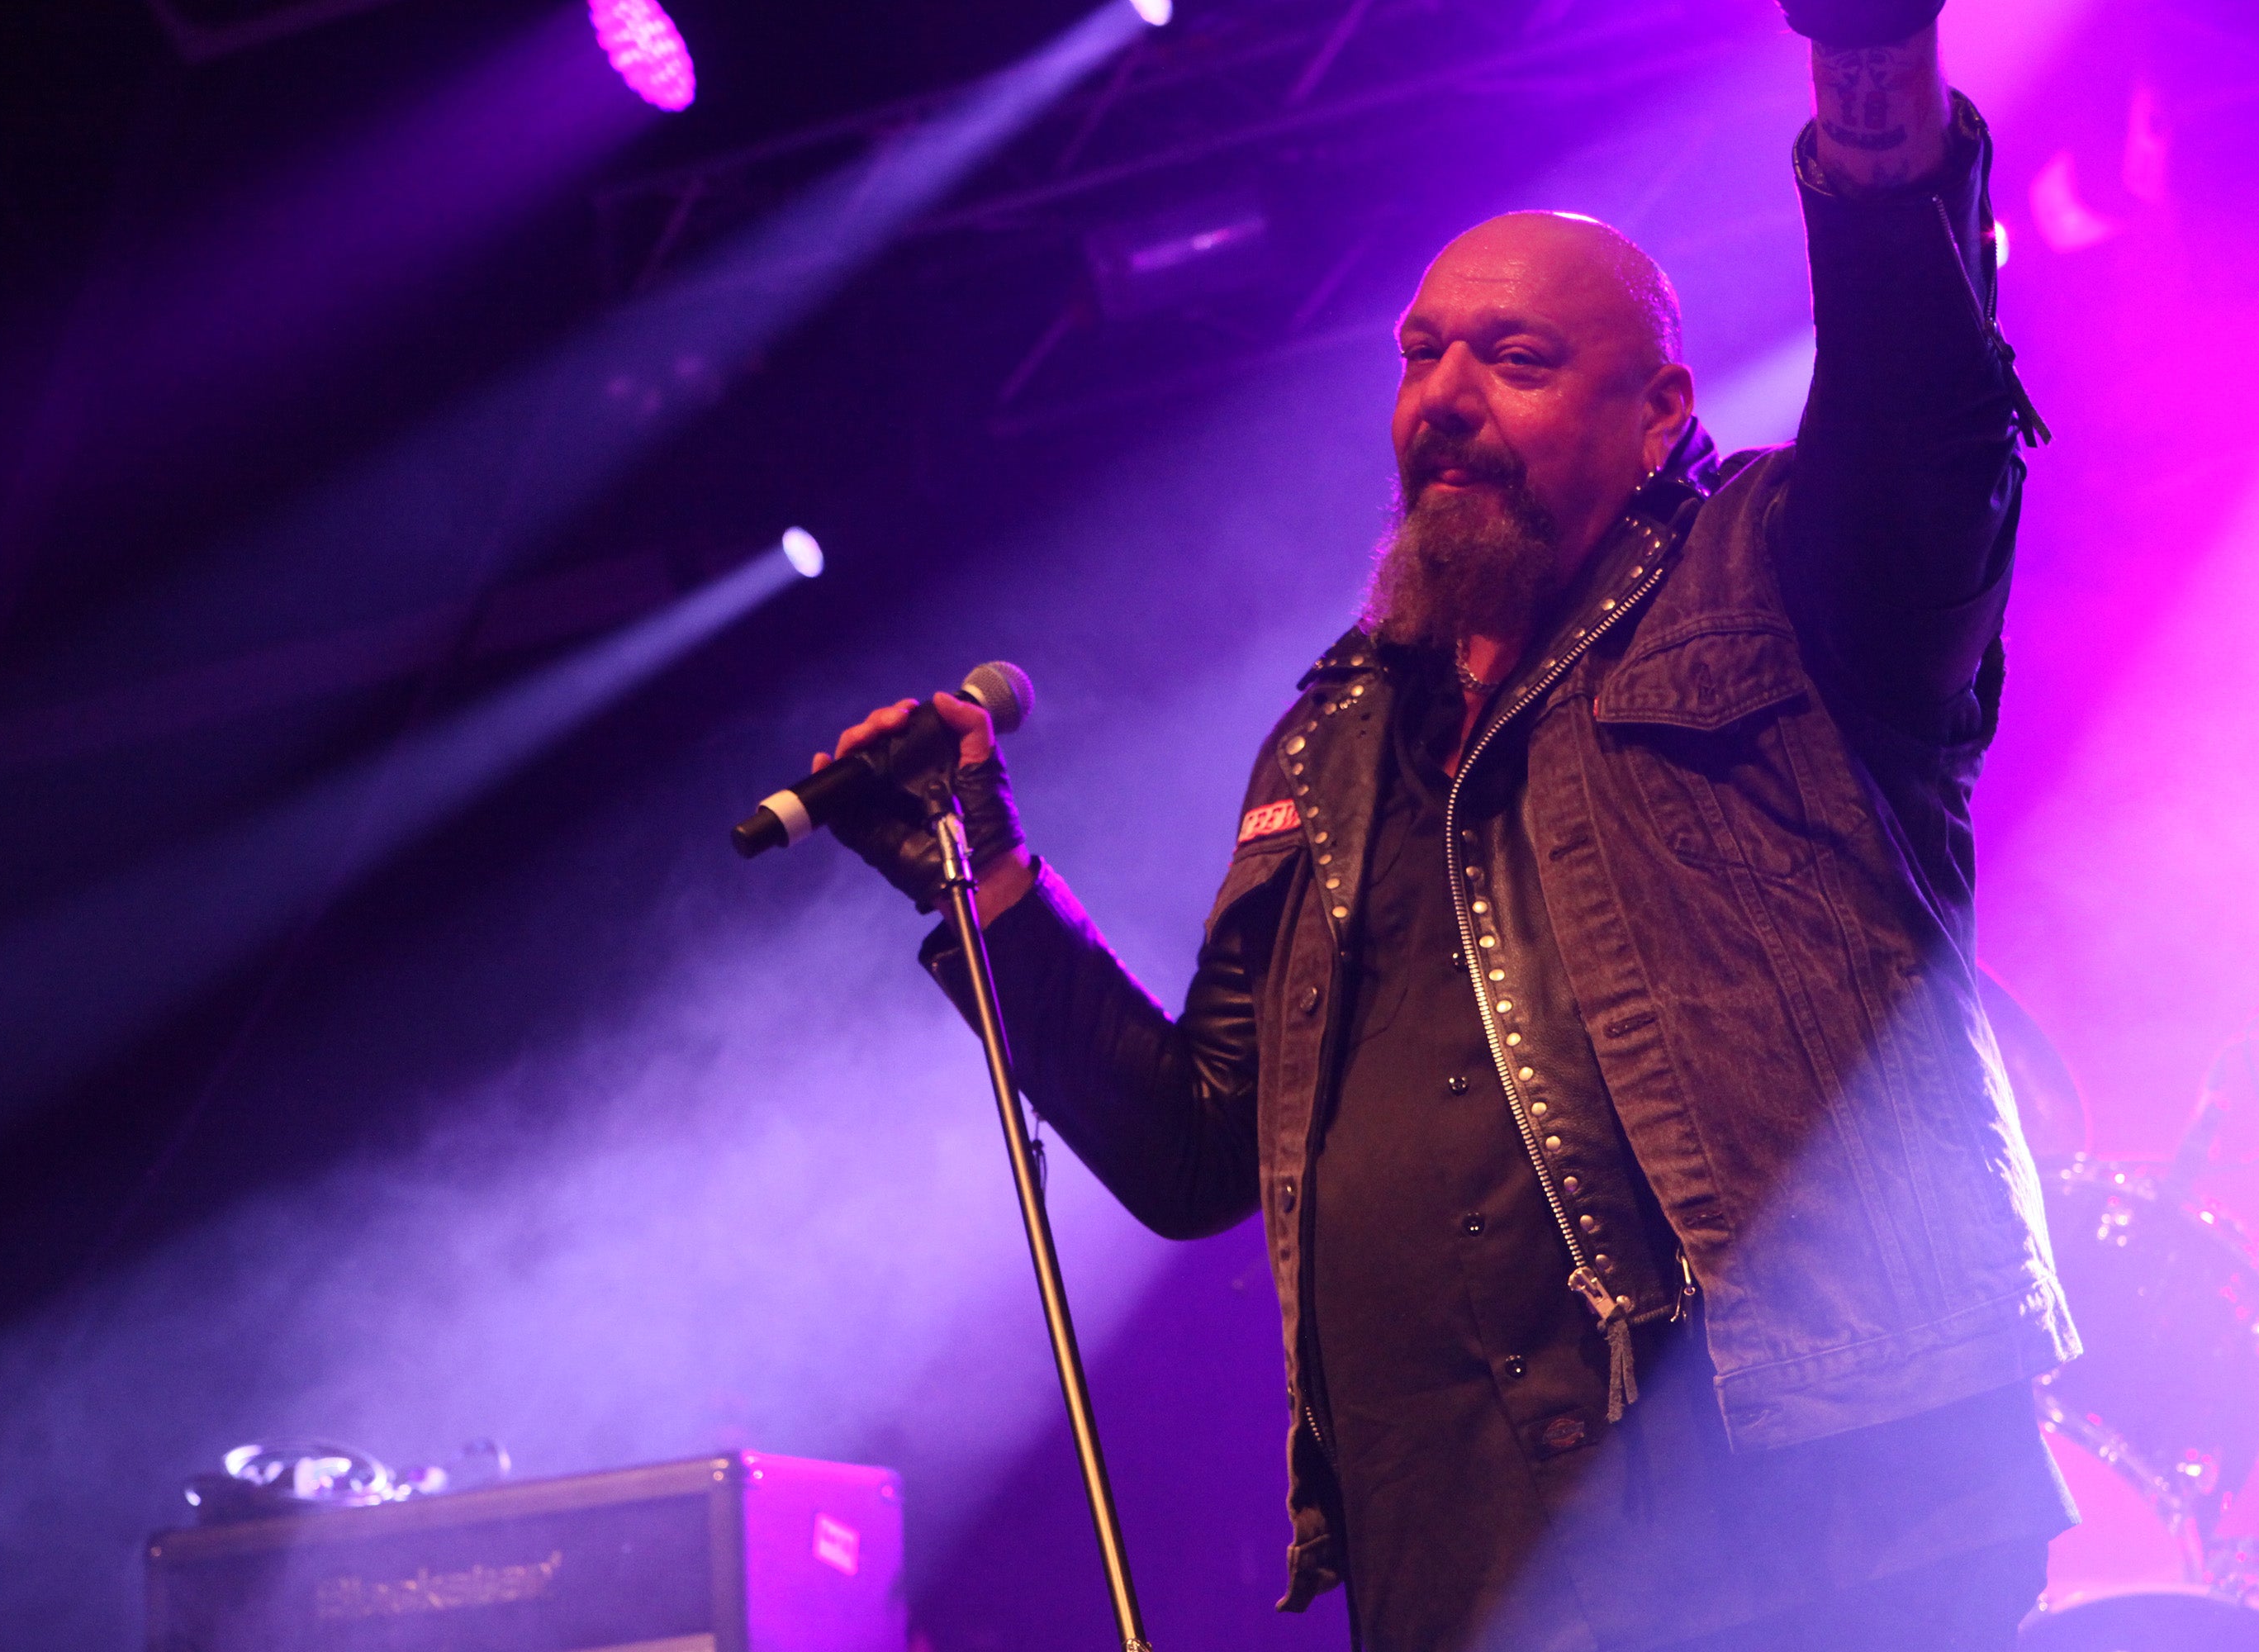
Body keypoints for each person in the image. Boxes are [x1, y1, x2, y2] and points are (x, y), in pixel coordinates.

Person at [814, 2, 2077, 1645]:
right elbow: (1204, 1147)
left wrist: (1869, 68)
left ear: (1656, 412)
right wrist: (983, 881)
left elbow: (1923, 400)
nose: (1449, 395)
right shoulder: (1338, 729)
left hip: (1810, 1515)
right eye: (1422, 355)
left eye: (1518, 358)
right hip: (1462, 1556)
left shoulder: (1789, 577)